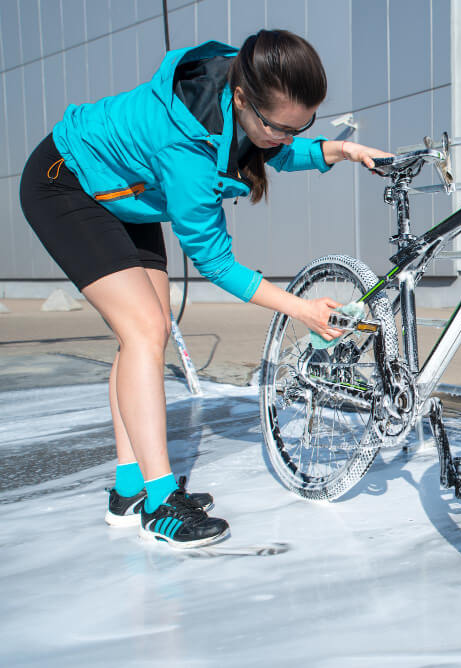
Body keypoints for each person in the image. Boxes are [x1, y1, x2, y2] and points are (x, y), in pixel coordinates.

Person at [19, 29, 390, 549]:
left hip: (129, 191)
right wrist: (300, 310)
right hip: (67, 183)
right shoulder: (186, 148)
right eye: (280, 126)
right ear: (243, 99)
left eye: (301, 124)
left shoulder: (244, 105)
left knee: (145, 334)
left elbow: (276, 150)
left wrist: (343, 150)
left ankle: (129, 489)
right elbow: (216, 263)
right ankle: (158, 502)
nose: (289, 136)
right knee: (145, 330)